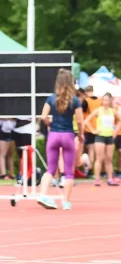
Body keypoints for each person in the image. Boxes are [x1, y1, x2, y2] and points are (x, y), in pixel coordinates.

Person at [36, 69, 85, 209]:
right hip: (68, 135)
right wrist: (81, 134)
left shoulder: (51, 98)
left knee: (50, 169)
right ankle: (66, 202)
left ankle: (43, 195)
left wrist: (50, 125)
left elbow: (43, 116)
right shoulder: (75, 100)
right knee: (69, 172)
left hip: (54, 135)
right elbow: (80, 121)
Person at [82, 93, 121, 186]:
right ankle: (97, 178)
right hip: (100, 136)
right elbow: (86, 121)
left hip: (110, 136)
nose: (105, 102)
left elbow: (120, 121)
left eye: (107, 100)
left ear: (110, 101)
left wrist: (116, 131)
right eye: (104, 100)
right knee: (99, 158)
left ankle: (110, 178)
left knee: (109, 159)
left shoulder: (113, 111)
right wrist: (93, 130)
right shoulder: (98, 110)